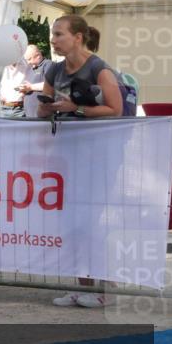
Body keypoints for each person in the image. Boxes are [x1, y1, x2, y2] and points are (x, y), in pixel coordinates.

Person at [37, 15, 123, 309]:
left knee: (90, 222)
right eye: (53, 34)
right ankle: (83, 284)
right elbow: (40, 110)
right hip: (66, 154)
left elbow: (115, 108)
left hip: (98, 155)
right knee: (71, 221)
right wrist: (45, 106)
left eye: (59, 34)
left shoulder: (99, 68)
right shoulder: (54, 69)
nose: (54, 40)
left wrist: (79, 109)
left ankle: (102, 287)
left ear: (78, 37)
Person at [16, 45, 50, 118]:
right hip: (28, 113)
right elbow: (28, 86)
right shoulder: (29, 68)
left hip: (42, 114)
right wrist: (24, 89)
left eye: (29, 59)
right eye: (26, 60)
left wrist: (30, 87)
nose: (28, 62)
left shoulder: (48, 65)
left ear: (38, 56)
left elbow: (50, 85)